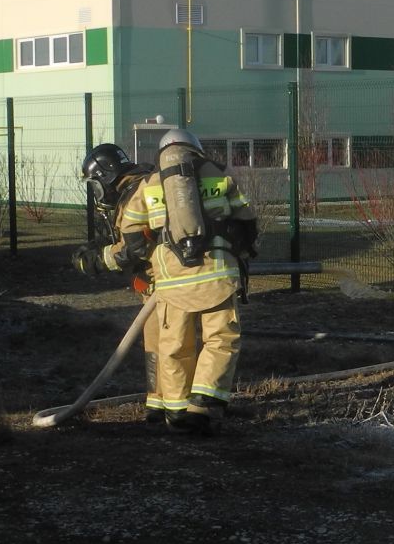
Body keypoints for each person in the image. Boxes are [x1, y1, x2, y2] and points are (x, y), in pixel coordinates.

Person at [76, 132, 258, 434]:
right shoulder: (220, 173)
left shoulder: (148, 186)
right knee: (220, 340)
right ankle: (203, 403)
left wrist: (102, 259)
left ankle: (174, 413)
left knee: (174, 346)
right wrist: (240, 251)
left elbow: (133, 244)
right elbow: (247, 221)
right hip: (218, 276)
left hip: (170, 282)